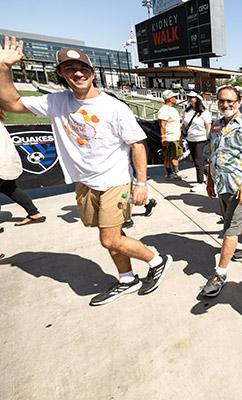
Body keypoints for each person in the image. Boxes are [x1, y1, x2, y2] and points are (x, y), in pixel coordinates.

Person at [0, 37, 173, 306]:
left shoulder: (114, 107)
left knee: (109, 239)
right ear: (61, 74)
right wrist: (3, 68)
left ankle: (157, 260)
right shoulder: (56, 102)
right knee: (114, 237)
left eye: (82, 68)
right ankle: (127, 278)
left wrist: (141, 183)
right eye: (69, 69)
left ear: (92, 73)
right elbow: (12, 104)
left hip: (115, 181)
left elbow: (137, 146)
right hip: (85, 182)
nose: (77, 73)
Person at [199, 86, 242, 297]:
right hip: (222, 185)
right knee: (235, 218)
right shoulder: (217, 126)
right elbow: (212, 154)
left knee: (230, 229)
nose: (225, 105)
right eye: (221, 101)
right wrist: (210, 180)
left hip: (241, 188)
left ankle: (220, 274)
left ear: (239, 102)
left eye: (230, 101)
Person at [0, 108, 46, 227]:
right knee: (10, 188)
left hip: (2, 163)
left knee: (10, 188)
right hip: (7, 162)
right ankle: (34, 213)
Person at [183, 91, 212, 192]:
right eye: (189, 97)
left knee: (199, 161)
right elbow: (184, 124)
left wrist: (208, 138)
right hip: (190, 138)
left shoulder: (204, 112)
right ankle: (210, 175)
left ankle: (200, 182)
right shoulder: (187, 111)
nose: (191, 99)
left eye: (193, 97)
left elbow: (208, 125)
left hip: (201, 139)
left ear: (197, 99)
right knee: (195, 160)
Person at [158, 89, 183, 180]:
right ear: (169, 99)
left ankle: (176, 172)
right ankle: (169, 174)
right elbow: (162, 125)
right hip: (169, 138)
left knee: (175, 155)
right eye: (174, 97)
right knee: (169, 156)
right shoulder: (164, 110)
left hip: (175, 136)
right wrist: (163, 138)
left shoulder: (172, 109)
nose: (176, 98)